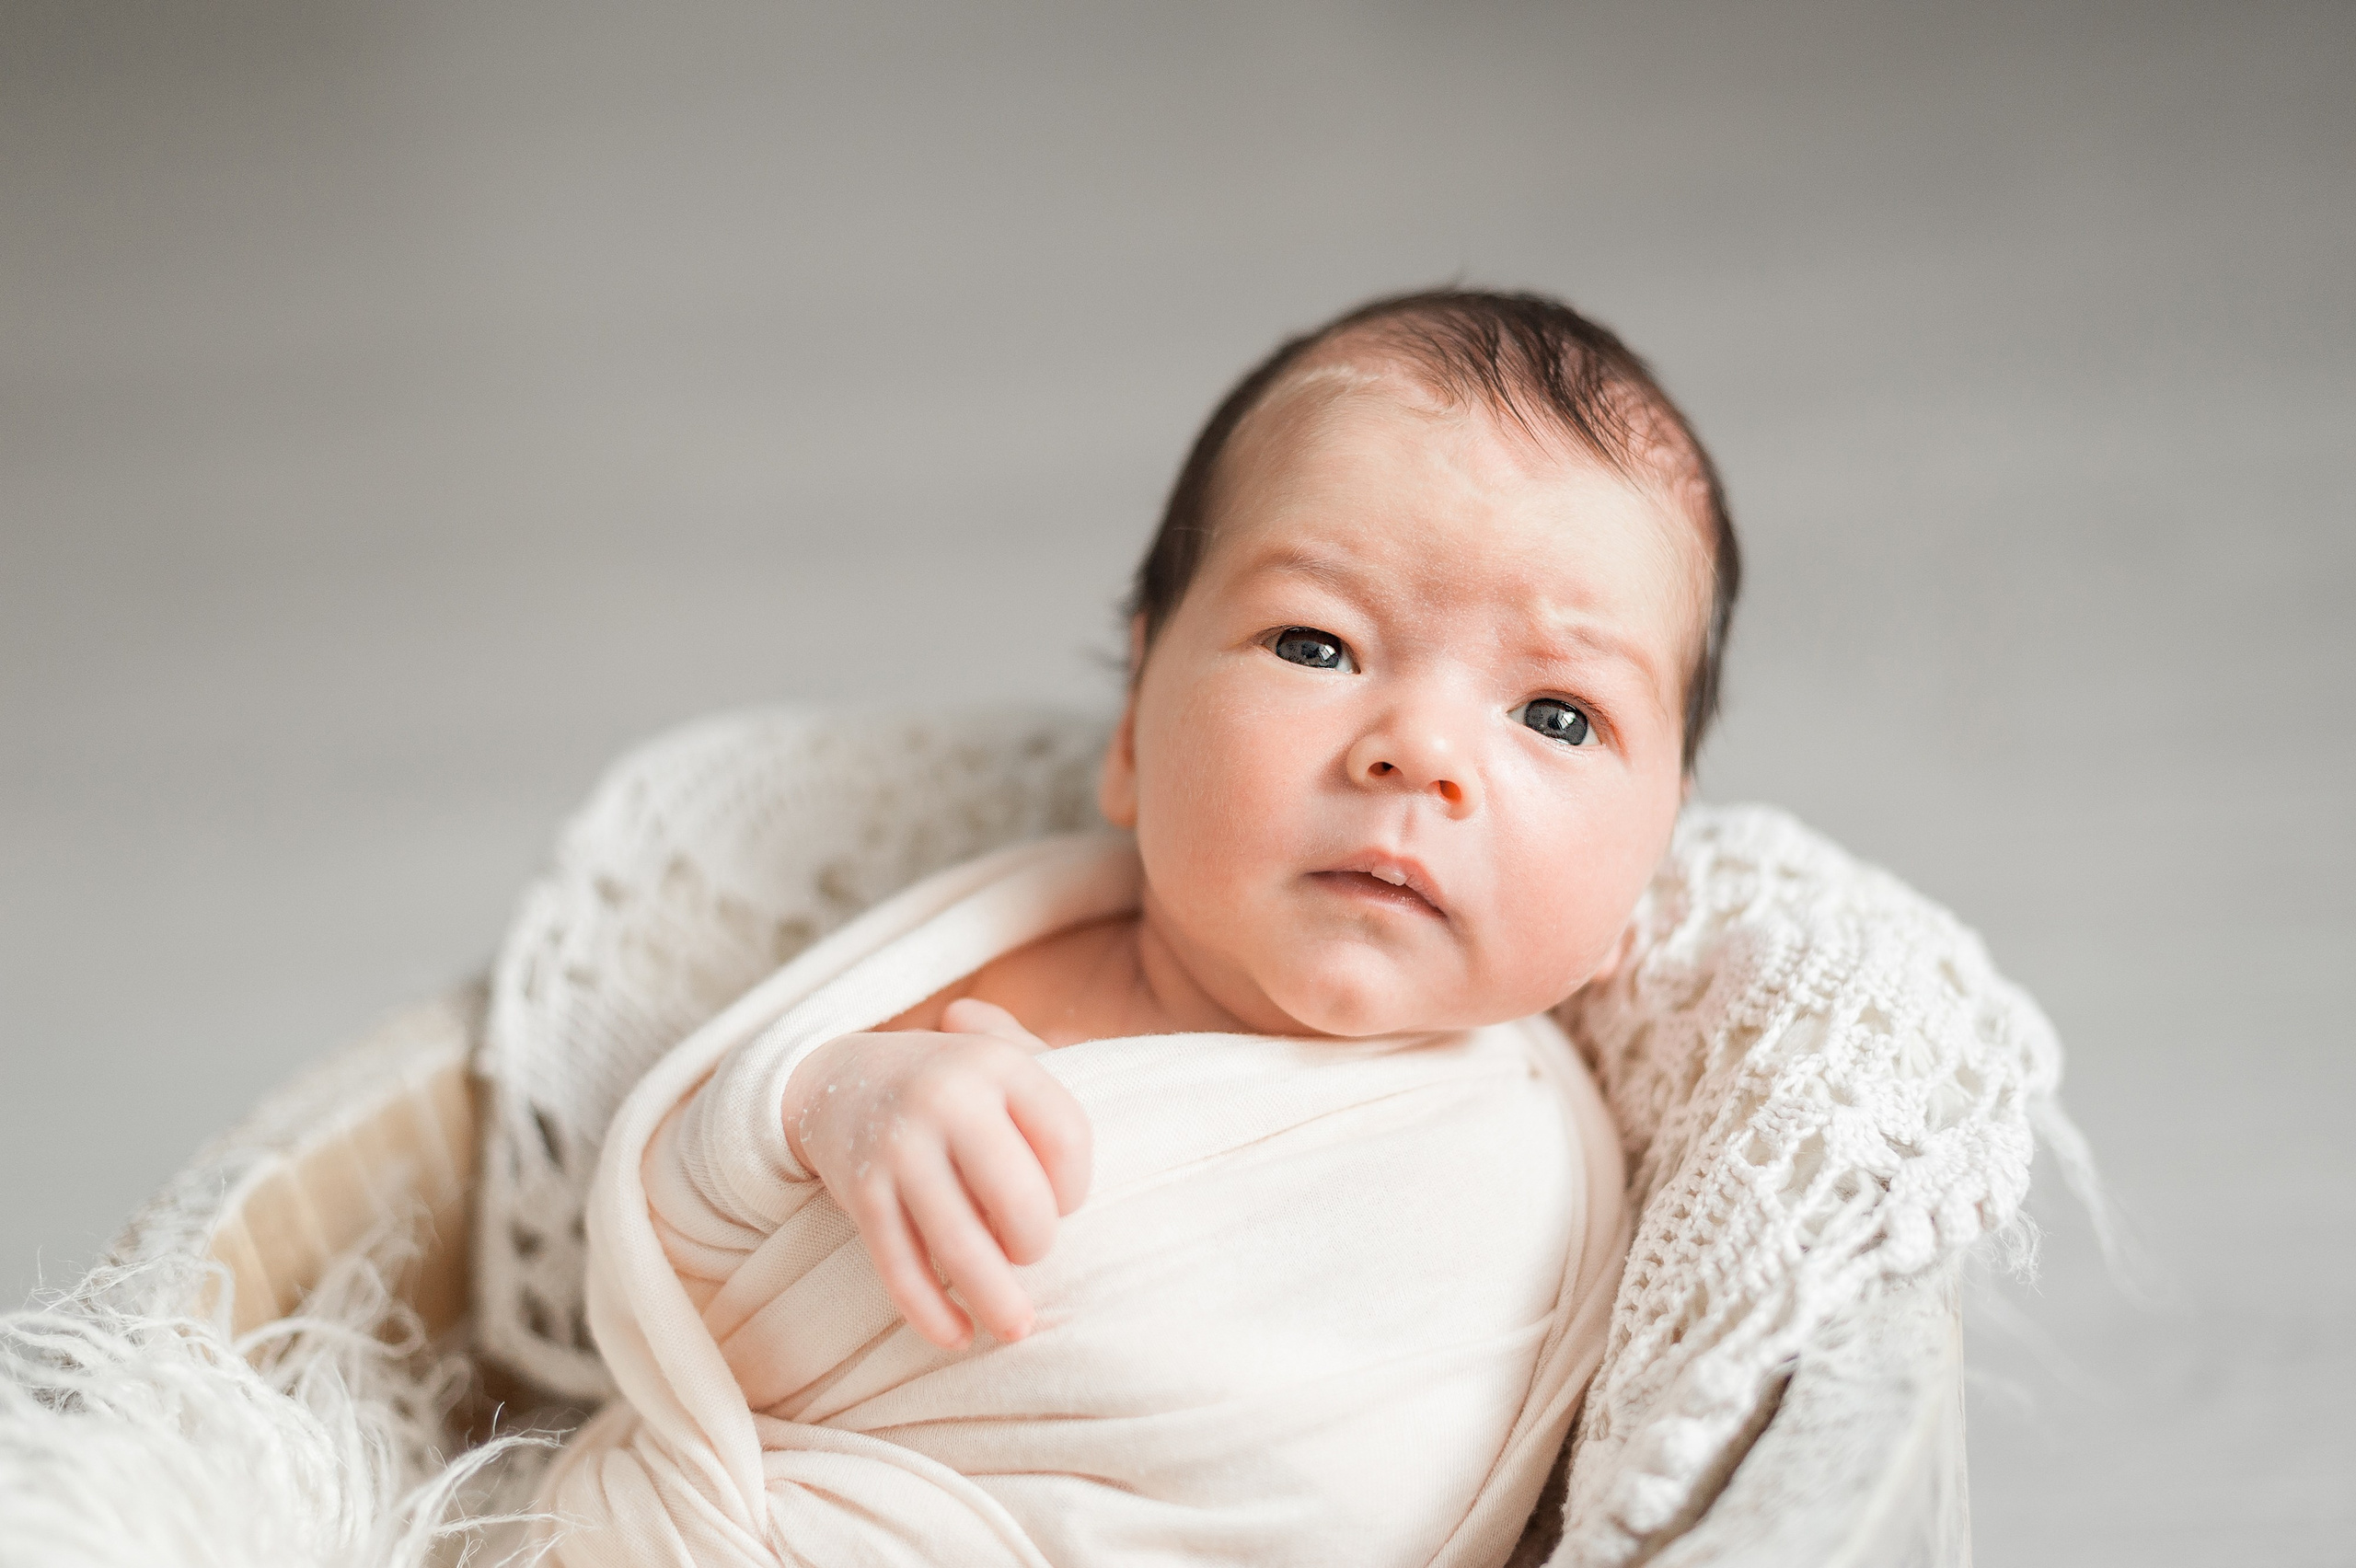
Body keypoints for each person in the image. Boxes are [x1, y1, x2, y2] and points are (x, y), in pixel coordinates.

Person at [539, 289, 1740, 1568]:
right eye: (1316, 644)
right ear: (1130, 730)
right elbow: (673, 1259)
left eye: (1557, 716)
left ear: (1651, 858)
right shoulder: (1000, 956)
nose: (1421, 751)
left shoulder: (1533, 1183)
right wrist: (831, 1099)